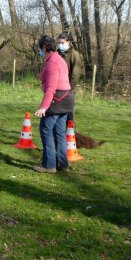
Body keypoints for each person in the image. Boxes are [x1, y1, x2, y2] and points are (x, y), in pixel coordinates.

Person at [33, 35, 74, 173]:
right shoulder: (59, 59)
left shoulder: (52, 63)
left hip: (57, 100)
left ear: (44, 48)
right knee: (59, 133)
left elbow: (51, 88)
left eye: (40, 48)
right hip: (67, 99)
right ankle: (63, 164)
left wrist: (43, 107)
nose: (40, 51)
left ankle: (49, 165)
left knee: (46, 130)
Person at [57, 33, 84, 121]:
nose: (60, 45)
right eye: (59, 43)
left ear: (69, 42)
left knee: (69, 111)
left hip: (69, 88)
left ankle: (70, 130)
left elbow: (76, 74)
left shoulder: (75, 55)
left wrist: (70, 88)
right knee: (57, 110)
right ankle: (58, 131)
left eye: (62, 43)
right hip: (57, 87)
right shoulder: (57, 53)